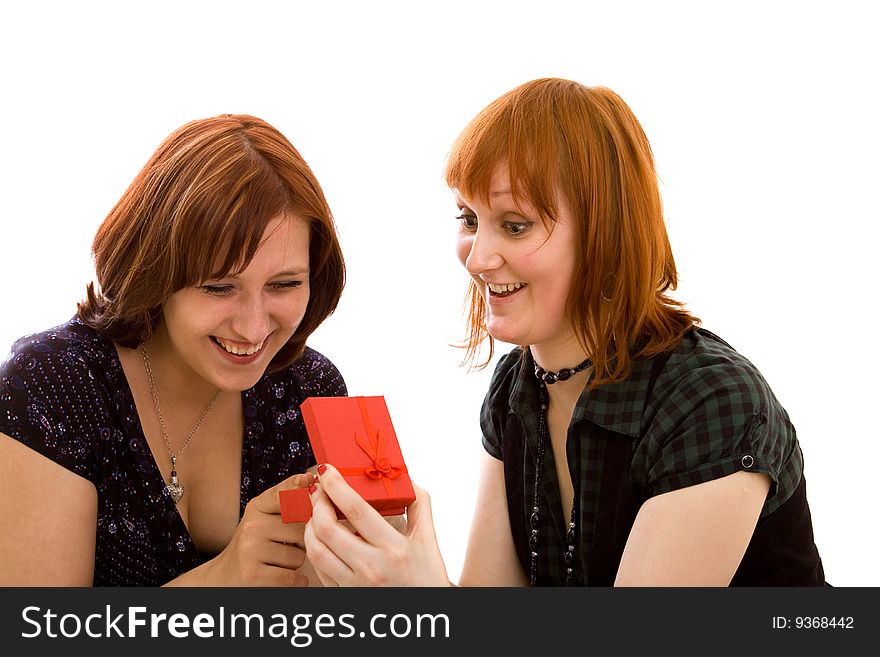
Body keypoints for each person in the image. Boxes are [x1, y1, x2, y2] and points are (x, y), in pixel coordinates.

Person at [303, 78, 827, 586]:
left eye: (515, 225)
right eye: (468, 218)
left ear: (606, 232)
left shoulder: (709, 402)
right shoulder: (518, 386)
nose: (478, 258)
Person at [0, 114, 346, 586]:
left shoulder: (309, 389)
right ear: (157, 274)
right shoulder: (51, 387)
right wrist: (224, 576)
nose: (253, 326)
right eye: (219, 288)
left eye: (284, 285)